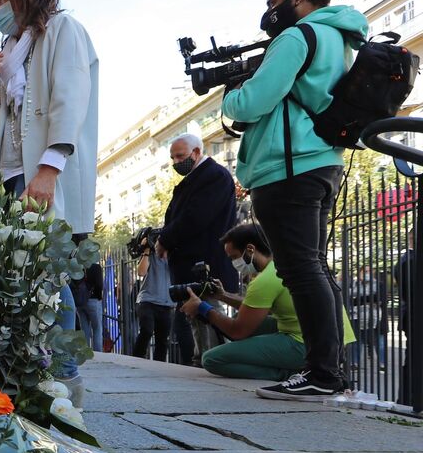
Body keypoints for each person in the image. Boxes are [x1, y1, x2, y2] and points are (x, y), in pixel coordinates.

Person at [221, 0, 367, 401]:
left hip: (288, 167)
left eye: (274, 1)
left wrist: (231, 97)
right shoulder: (339, 38)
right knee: (313, 267)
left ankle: (321, 373)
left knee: (300, 269)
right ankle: (330, 370)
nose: (270, 11)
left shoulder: (297, 36)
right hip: (320, 162)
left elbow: (253, 104)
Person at [0, 0, 99, 403]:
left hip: (41, 175)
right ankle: (34, 371)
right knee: (22, 280)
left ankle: (65, 381)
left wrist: (48, 170)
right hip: (10, 177)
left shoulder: (62, 32)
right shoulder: (14, 49)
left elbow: (70, 98)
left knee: (48, 276)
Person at [181, 224, 354, 381]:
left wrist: (202, 308)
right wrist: (223, 296)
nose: (234, 264)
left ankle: (289, 373)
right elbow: (256, 311)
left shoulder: (264, 280)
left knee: (211, 359)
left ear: (250, 249)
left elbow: (238, 331)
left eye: (234, 257)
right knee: (240, 317)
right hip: (332, 340)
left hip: (307, 345)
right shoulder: (282, 265)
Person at [157, 133, 239, 366]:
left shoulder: (213, 176)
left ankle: (210, 361)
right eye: (172, 157)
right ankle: (203, 359)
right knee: (195, 319)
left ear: (196, 152)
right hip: (192, 263)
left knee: (205, 315)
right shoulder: (198, 178)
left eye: (180, 156)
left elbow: (194, 218)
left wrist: (165, 239)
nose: (175, 162)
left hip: (203, 263)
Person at [134, 230, 176, 361]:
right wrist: (146, 250)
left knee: (162, 341)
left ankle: (160, 367)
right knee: (146, 330)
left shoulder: (173, 259)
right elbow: (141, 272)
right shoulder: (151, 256)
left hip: (166, 304)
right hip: (147, 301)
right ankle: (137, 359)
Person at [347, 264, 387, 372]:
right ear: (359, 272)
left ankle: (382, 363)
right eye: (364, 271)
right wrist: (370, 300)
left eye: (369, 271)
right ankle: (354, 363)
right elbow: (349, 300)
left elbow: (381, 299)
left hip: (376, 318)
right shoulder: (353, 285)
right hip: (356, 317)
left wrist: (359, 300)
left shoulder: (379, 285)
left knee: (380, 342)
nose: (366, 274)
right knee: (356, 342)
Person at [395, 229, 416, 405]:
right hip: (414, 315)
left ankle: (408, 399)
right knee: (414, 360)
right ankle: (408, 400)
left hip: (412, 314)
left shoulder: (407, 259)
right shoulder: (409, 260)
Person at [76, 262, 104, 351]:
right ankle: (98, 354)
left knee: (84, 329)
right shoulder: (95, 267)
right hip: (93, 300)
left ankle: (85, 353)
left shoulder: (78, 266)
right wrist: (99, 297)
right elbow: (99, 285)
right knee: (97, 328)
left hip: (80, 301)